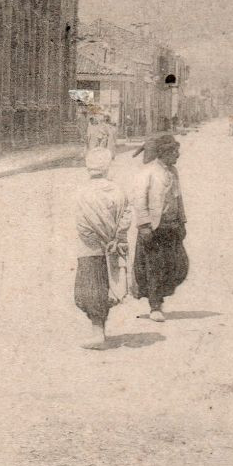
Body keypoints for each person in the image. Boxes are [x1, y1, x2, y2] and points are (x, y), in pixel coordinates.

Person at [73, 147, 131, 349]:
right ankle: (100, 332)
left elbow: (82, 225)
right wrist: (117, 238)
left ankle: (97, 333)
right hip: (112, 247)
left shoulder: (82, 192)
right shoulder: (117, 190)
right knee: (105, 287)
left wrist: (98, 241)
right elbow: (125, 216)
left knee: (90, 289)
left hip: (91, 249)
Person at [131, 134, 188, 322]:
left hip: (171, 226)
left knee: (175, 266)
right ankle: (155, 306)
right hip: (154, 228)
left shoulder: (174, 172)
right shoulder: (147, 172)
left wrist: (182, 221)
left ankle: (159, 299)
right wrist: (144, 225)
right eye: (175, 152)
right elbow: (139, 200)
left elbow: (179, 199)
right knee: (154, 267)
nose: (178, 156)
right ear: (164, 153)